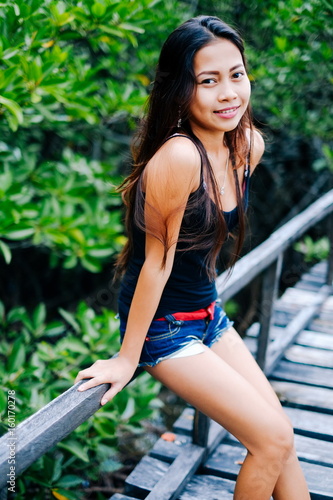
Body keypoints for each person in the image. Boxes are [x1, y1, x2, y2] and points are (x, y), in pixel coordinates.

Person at [75, 15, 310, 500]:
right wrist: (126, 357)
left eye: (236, 74)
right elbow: (156, 265)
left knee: (280, 437)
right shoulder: (177, 159)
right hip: (165, 327)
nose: (228, 92)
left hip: (208, 314)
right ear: (181, 90)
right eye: (208, 81)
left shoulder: (247, 147)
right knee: (271, 441)